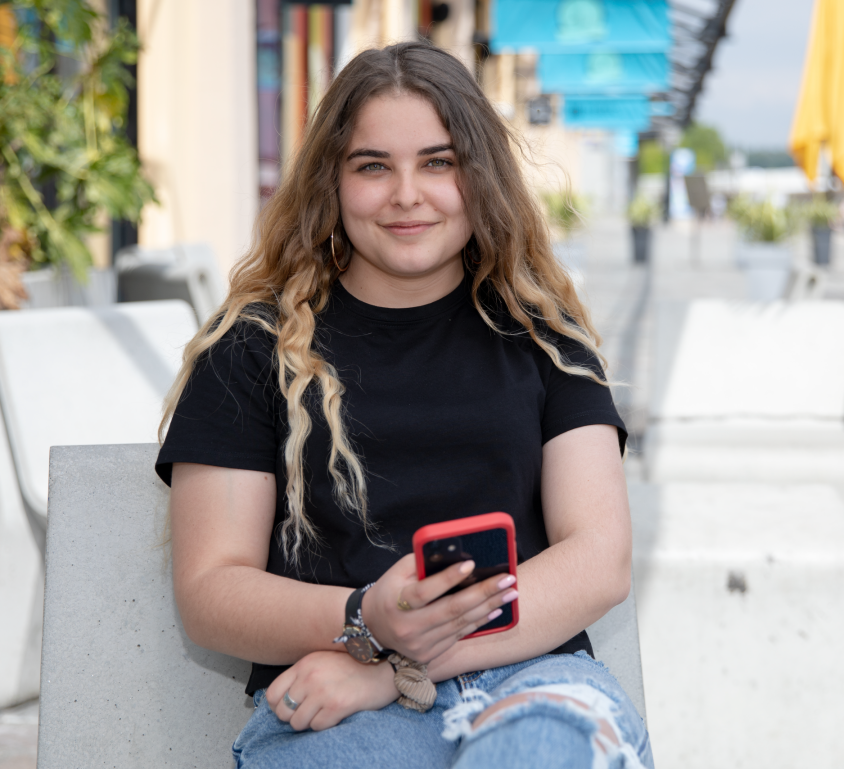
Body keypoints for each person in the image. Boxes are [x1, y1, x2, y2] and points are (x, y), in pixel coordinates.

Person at [157, 41, 652, 769]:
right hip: (331, 712)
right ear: (332, 181)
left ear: (479, 176)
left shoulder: (546, 338)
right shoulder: (251, 350)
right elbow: (210, 588)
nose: (407, 194)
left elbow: (598, 559)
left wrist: (389, 663)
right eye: (372, 166)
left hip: (534, 682)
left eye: (438, 162)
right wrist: (361, 617)